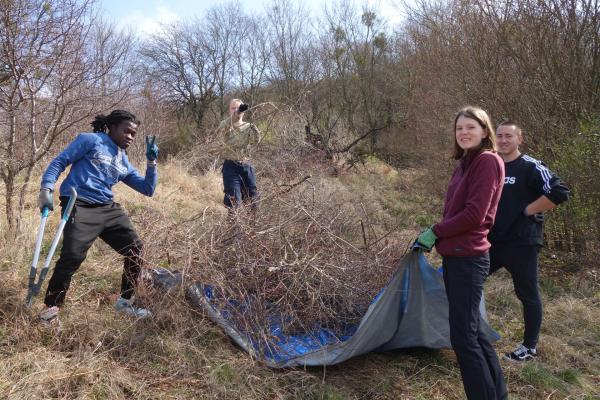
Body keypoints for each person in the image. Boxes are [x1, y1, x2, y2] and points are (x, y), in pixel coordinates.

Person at [416, 106, 507, 400]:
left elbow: (475, 215)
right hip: (458, 256)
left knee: (464, 338)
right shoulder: (467, 163)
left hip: (469, 259)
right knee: (475, 333)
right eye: (459, 128)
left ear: (484, 131)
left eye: (471, 127)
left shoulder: (487, 161)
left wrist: (436, 230)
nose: (464, 132)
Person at [37, 109, 159, 323]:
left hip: (107, 208)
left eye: (133, 134)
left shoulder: (123, 160)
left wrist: (151, 163)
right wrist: (46, 189)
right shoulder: (91, 140)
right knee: (73, 256)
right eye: (126, 131)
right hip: (79, 203)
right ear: (111, 127)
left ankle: (124, 303)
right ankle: (51, 309)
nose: (130, 137)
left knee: (135, 249)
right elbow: (60, 161)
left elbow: (147, 189)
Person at [488, 121, 569, 361]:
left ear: (519, 139)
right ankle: (464, 332)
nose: (503, 140)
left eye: (508, 137)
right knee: (464, 280)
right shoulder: (492, 164)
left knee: (527, 293)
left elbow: (559, 191)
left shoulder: (531, 167)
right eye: (499, 136)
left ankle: (529, 348)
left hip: (522, 243)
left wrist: (527, 211)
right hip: (492, 242)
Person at [215, 98, 261, 211]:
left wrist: (256, 132)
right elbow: (219, 138)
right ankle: (234, 227)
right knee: (234, 202)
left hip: (246, 165)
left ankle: (252, 227)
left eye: (239, 108)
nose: (236, 110)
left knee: (253, 200)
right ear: (229, 111)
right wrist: (235, 115)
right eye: (233, 108)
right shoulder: (225, 125)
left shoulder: (249, 126)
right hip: (231, 167)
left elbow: (256, 142)